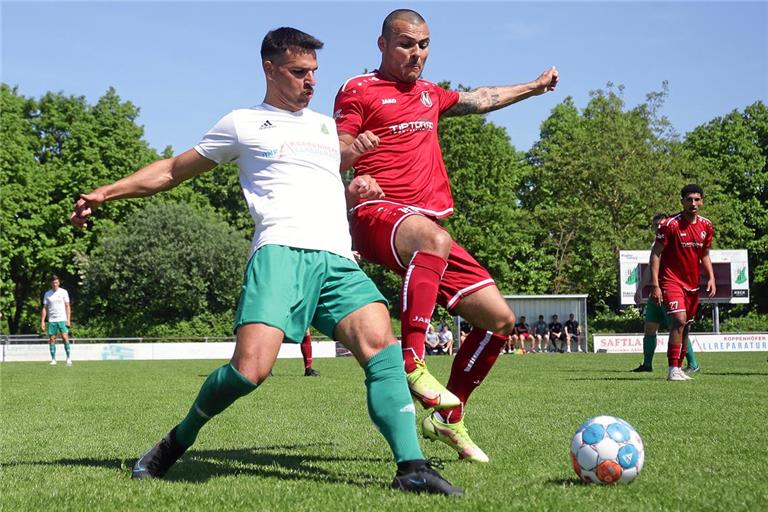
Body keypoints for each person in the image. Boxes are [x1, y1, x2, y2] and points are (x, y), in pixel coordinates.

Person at [70, 27, 460, 496]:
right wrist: (105, 192)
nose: (311, 81)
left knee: (383, 350)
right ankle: (177, 440)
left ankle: (411, 468)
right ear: (270, 69)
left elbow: (320, 181)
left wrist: (355, 188)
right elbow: (174, 169)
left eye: (315, 72)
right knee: (249, 370)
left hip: (336, 258)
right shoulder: (243, 123)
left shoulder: (323, 127)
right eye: (299, 72)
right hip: (280, 253)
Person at [333, 8, 558, 462]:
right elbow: (334, 149)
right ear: (382, 45)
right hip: (377, 213)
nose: (416, 53)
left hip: (426, 230)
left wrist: (533, 88)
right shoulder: (358, 88)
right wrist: (352, 159)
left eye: (423, 44)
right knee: (432, 240)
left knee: (500, 321)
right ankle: (411, 361)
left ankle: (447, 418)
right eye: (405, 44)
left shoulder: (430, 95)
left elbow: (482, 98)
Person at [649, 184, 715, 381]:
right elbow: (655, 254)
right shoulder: (670, 225)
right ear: (682, 202)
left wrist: (711, 277)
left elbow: (705, 255)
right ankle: (672, 369)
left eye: (696, 199)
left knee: (686, 325)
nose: (693, 203)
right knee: (678, 319)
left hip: (692, 284)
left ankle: (679, 368)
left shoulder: (706, 226)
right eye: (689, 199)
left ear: (702, 201)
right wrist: (655, 285)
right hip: (671, 281)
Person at [632, 213, 701, 373]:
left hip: (671, 291)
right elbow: (651, 268)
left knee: (677, 328)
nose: (658, 227)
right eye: (655, 225)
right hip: (656, 292)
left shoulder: (675, 239)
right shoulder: (655, 244)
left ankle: (693, 364)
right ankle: (647, 364)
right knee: (649, 327)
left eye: (660, 224)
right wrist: (641, 288)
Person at [40, 275, 72, 366]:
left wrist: (68, 319)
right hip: (52, 320)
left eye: (56, 282)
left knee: (65, 337)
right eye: (53, 283)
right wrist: (42, 321)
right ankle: (53, 359)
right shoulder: (47, 294)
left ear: (59, 283)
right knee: (52, 339)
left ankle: (68, 358)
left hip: (62, 319)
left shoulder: (64, 292)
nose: (55, 284)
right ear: (51, 283)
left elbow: (67, 306)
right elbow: (44, 308)